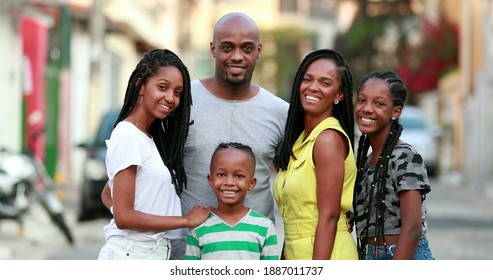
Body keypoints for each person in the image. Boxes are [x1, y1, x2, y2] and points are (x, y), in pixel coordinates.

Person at [172, 12, 289, 259]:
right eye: (227, 47)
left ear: (259, 50)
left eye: (246, 48)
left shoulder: (280, 112)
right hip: (189, 247)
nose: (237, 56)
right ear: (213, 49)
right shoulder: (182, 102)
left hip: (254, 250)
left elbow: (291, 180)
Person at [97, 49, 213, 260]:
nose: (171, 98)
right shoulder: (128, 135)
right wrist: (185, 221)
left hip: (150, 252)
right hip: (133, 254)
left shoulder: (149, 138)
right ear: (141, 85)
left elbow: (108, 194)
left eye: (177, 92)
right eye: (162, 87)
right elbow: (123, 217)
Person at [273, 49, 358, 260]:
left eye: (325, 83)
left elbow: (328, 218)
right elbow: (294, 218)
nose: (313, 87)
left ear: (339, 94)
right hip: (298, 251)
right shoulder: (300, 142)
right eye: (307, 79)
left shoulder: (328, 139)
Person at [352, 70, 435, 260]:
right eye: (362, 100)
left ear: (396, 112)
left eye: (379, 103)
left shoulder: (404, 156)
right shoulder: (366, 162)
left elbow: (412, 228)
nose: (367, 108)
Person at [184, 142, 279, 260]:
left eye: (239, 176)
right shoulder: (198, 227)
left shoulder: (265, 227)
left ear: (251, 183)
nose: (229, 182)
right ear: (211, 180)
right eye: (221, 174)